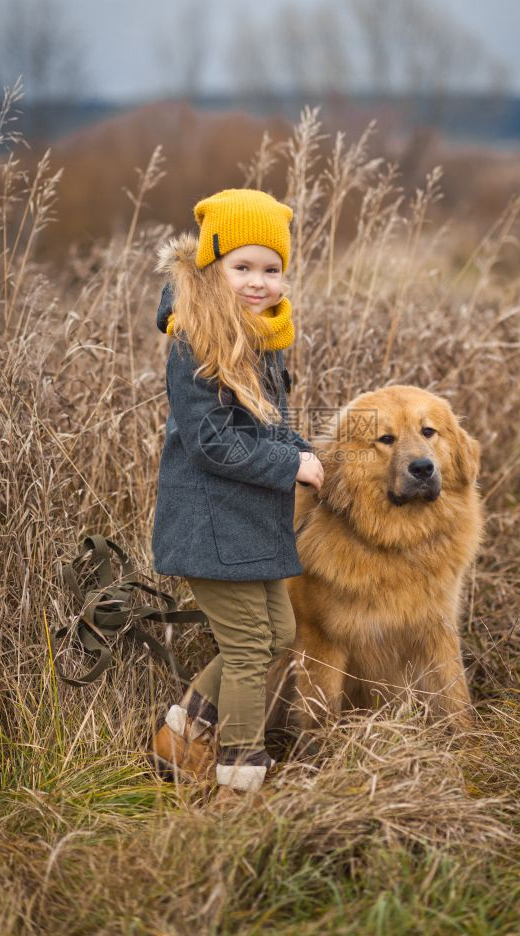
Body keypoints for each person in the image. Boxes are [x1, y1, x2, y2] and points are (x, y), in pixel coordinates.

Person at [149, 188, 324, 808]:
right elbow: (212, 444)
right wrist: (291, 464)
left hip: (248, 521)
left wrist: (313, 455)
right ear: (211, 267)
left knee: (277, 633)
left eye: (270, 269)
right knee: (250, 647)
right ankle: (239, 781)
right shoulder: (196, 338)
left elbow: (267, 426)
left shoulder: (261, 336)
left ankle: (181, 734)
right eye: (242, 267)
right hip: (209, 523)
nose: (259, 282)